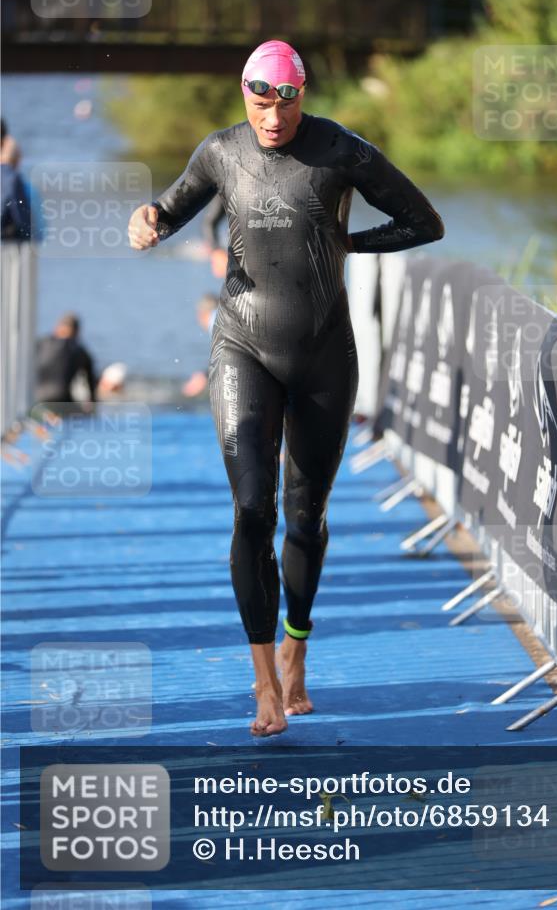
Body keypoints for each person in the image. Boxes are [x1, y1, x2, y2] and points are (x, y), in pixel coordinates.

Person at [128, 40, 444, 737]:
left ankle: (297, 648)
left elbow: (425, 222)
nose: (272, 113)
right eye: (259, 97)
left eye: (286, 98)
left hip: (326, 356)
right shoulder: (221, 152)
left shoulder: (341, 152)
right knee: (250, 511)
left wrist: (346, 243)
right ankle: (264, 681)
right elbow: (170, 208)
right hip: (242, 345)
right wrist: (144, 218)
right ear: (244, 92)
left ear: (303, 93)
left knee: (306, 517)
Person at [35, 313, 98, 407]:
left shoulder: (41, 344)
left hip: (36, 398)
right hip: (62, 400)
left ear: (57, 328)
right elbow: (91, 382)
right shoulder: (79, 350)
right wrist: (93, 404)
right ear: (77, 332)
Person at [182, 293, 218, 398]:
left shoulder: (214, 321)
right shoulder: (224, 315)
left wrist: (204, 376)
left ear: (201, 314)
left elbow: (225, 352)